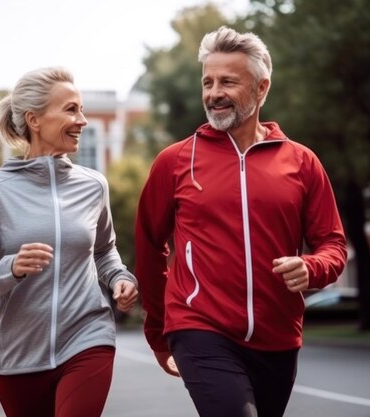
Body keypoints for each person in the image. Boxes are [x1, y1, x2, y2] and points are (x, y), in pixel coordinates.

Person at [134, 26, 347, 417]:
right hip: (200, 328)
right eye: (208, 82)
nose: (214, 92)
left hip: (278, 337)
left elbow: (333, 244)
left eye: (228, 82)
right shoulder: (176, 161)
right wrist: (160, 329)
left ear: (261, 88)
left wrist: (311, 267)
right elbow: (149, 245)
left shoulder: (301, 163)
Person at [0, 67, 138, 417]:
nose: (82, 120)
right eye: (71, 109)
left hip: (88, 337)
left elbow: (103, 251)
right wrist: (11, 267)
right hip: (20, 356)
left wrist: (120, 279)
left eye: (82, 110)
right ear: (33, 120)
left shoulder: (93, 185)